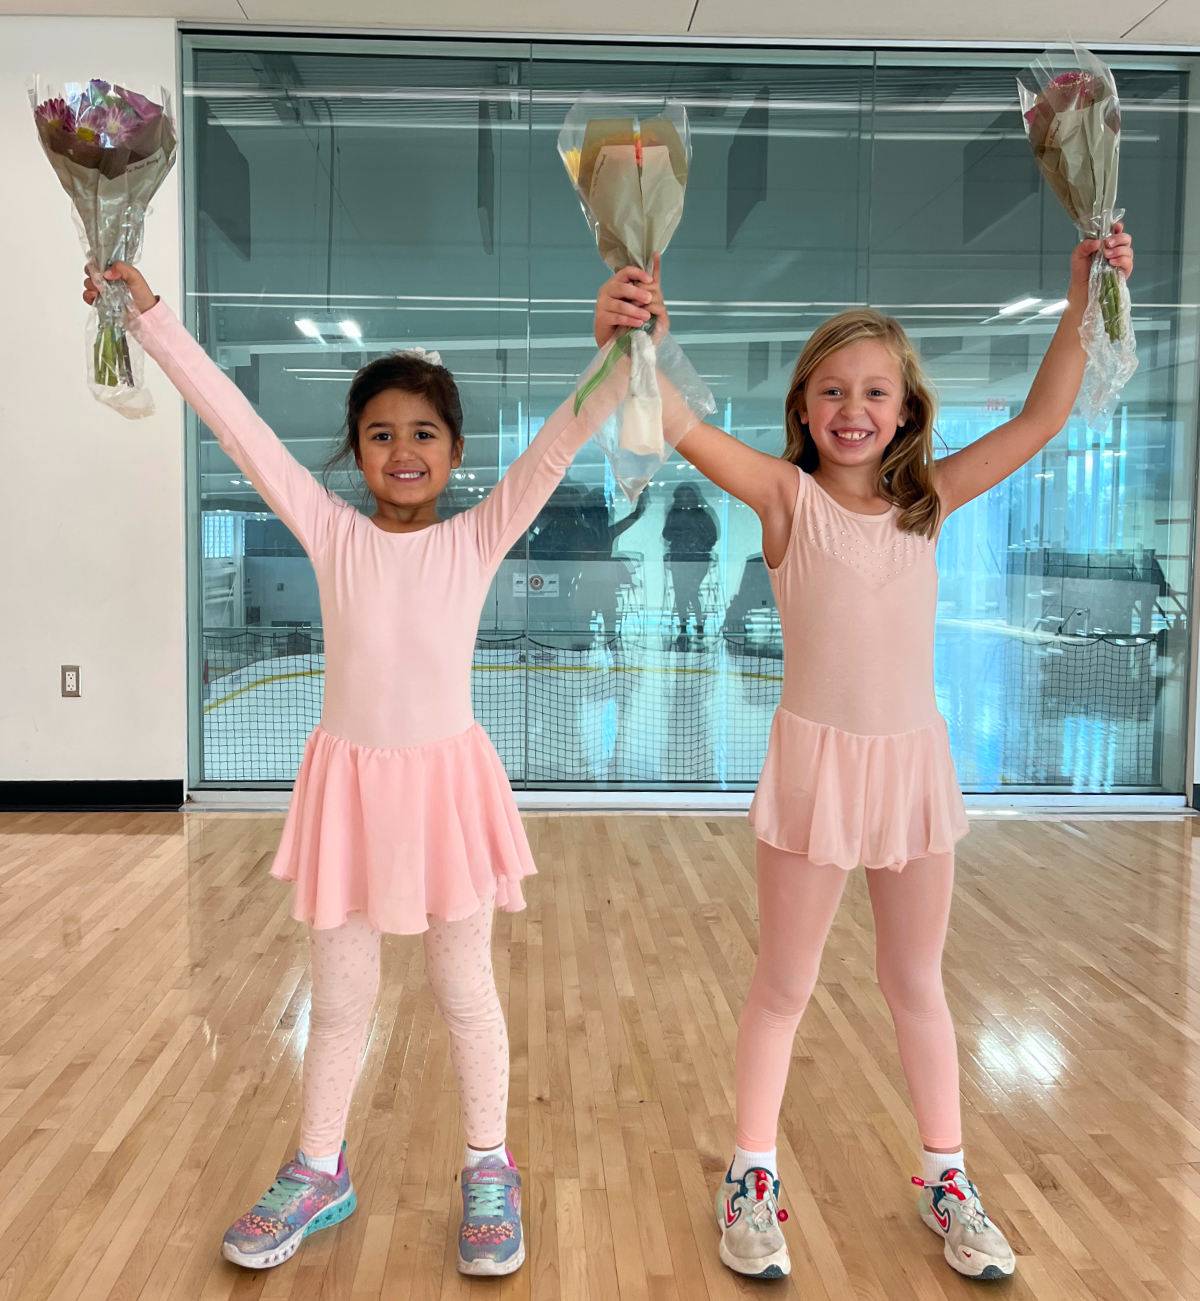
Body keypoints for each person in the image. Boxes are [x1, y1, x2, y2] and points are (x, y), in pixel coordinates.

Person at [87, 260, 665, 1276]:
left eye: (424, 431)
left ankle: (489, 1164)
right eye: (381, 432)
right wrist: (152, 319)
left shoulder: (481, 535)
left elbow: (564, 438)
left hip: (445, 794)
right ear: (355, 450)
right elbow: (237, 427)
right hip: (350, 798)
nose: (403, 449)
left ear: (454, 450)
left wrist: (625, 344)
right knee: (341, 996)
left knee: (463, 987)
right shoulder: (329, 531)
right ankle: (320, 1166)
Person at [594, 223, 1134, 1282]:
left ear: (907, 411)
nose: (853, 408)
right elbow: (674, 419)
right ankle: (752, 1172)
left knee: (915, 981)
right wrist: (631, 332)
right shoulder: (783, 500)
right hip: (816, 768)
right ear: (802, 407)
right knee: (785, 982)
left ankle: (947, 1175)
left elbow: (1041, 415)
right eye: (832, 390)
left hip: (911, 766)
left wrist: (1083, 296)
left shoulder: (930, 503)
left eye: (875, 392)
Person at [662, 483, 717, 640]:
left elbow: (711, 538)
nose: (686, 501)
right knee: (681, 592)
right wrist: (680, 533)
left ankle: (697, 624)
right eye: (682, 497)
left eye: (688, 497)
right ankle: (686, 625)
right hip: (679, 559)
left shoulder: (703, 515)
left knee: (690, 590)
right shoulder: (674, 515)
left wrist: (696, 543)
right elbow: (666, 534)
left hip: (698, 560)